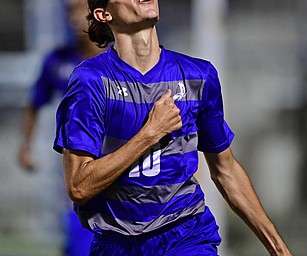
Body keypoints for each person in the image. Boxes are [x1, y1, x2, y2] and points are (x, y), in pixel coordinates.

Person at [53, 0, 292, 255]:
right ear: (104, 13)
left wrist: (278, 248)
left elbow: (226, 170)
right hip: (117, 243)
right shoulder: (90, 81)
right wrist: (150, 133)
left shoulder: (198, 76)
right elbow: (79, 186)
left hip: (185, 235)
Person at [18, 0, 102, 255]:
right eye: (70, 10)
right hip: (75, 159)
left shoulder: (119, 58)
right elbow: (34, 102)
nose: (76, 18)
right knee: (78, 218)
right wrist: (26, 146)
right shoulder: (57, 61)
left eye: (81, 10)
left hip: (118, 155)